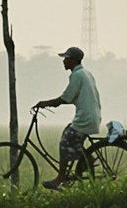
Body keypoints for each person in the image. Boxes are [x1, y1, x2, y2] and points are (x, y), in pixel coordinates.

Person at [33, 46, 101, 189]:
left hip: (85, 118)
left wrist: (45, 103)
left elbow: (66, 98)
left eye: (67, 59)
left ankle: (62, 176)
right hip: (91, 116)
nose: (64, 61)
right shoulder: (86, 73)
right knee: (70, 135)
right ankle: (86, 159)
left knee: (65, 141)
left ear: (74, 61)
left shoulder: (77, 75)